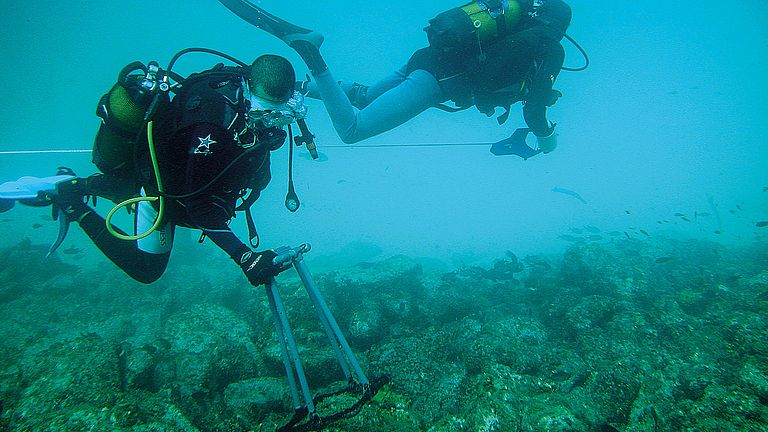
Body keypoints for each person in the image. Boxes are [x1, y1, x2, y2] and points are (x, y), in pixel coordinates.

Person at [16, 53, 306, 287]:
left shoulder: (245, 94)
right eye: (265, 111)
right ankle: (72, 203)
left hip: (184, 170)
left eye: (281, 113)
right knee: (147, 270)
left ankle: (79, 185)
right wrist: (245, 257)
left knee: (127, 186)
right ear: (250, 88)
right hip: (163, 191)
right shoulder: (211, 128)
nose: (273, 121)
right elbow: (197, 206)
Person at [218, 0, 577, 154]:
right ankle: (311, 53)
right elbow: (534, 112)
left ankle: (300, 87)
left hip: (424, 59)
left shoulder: (512, 21)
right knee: (353, 129)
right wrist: (548, 140)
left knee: (362, 97)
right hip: (436, 81)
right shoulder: (549, 49)